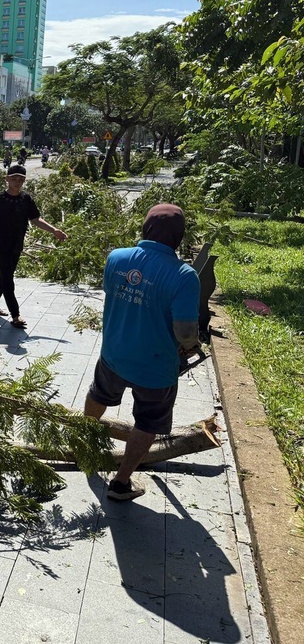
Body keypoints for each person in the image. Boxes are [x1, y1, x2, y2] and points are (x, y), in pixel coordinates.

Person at [84, 204, 201, 502]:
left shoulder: (117, 258)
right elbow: (186, 332)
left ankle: (83, 444)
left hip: (114, 353)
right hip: (155, 368)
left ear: (145, 228)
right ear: (178, 237)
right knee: (148, 421)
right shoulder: (185, 276)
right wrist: (192, 347)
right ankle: (121, 483)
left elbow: (116, 295)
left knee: (99, 395)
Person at [0, 164, 67, 328]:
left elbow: (35, 219)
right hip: (0, 244)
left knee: (4, 276)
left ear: (24, 181)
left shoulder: (26, 199)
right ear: (7, 179)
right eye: (14, 179)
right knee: (8, 280)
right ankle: (16, 314)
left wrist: (54, 230)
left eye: (20, 179)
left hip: (17, 245)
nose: (17, 182)